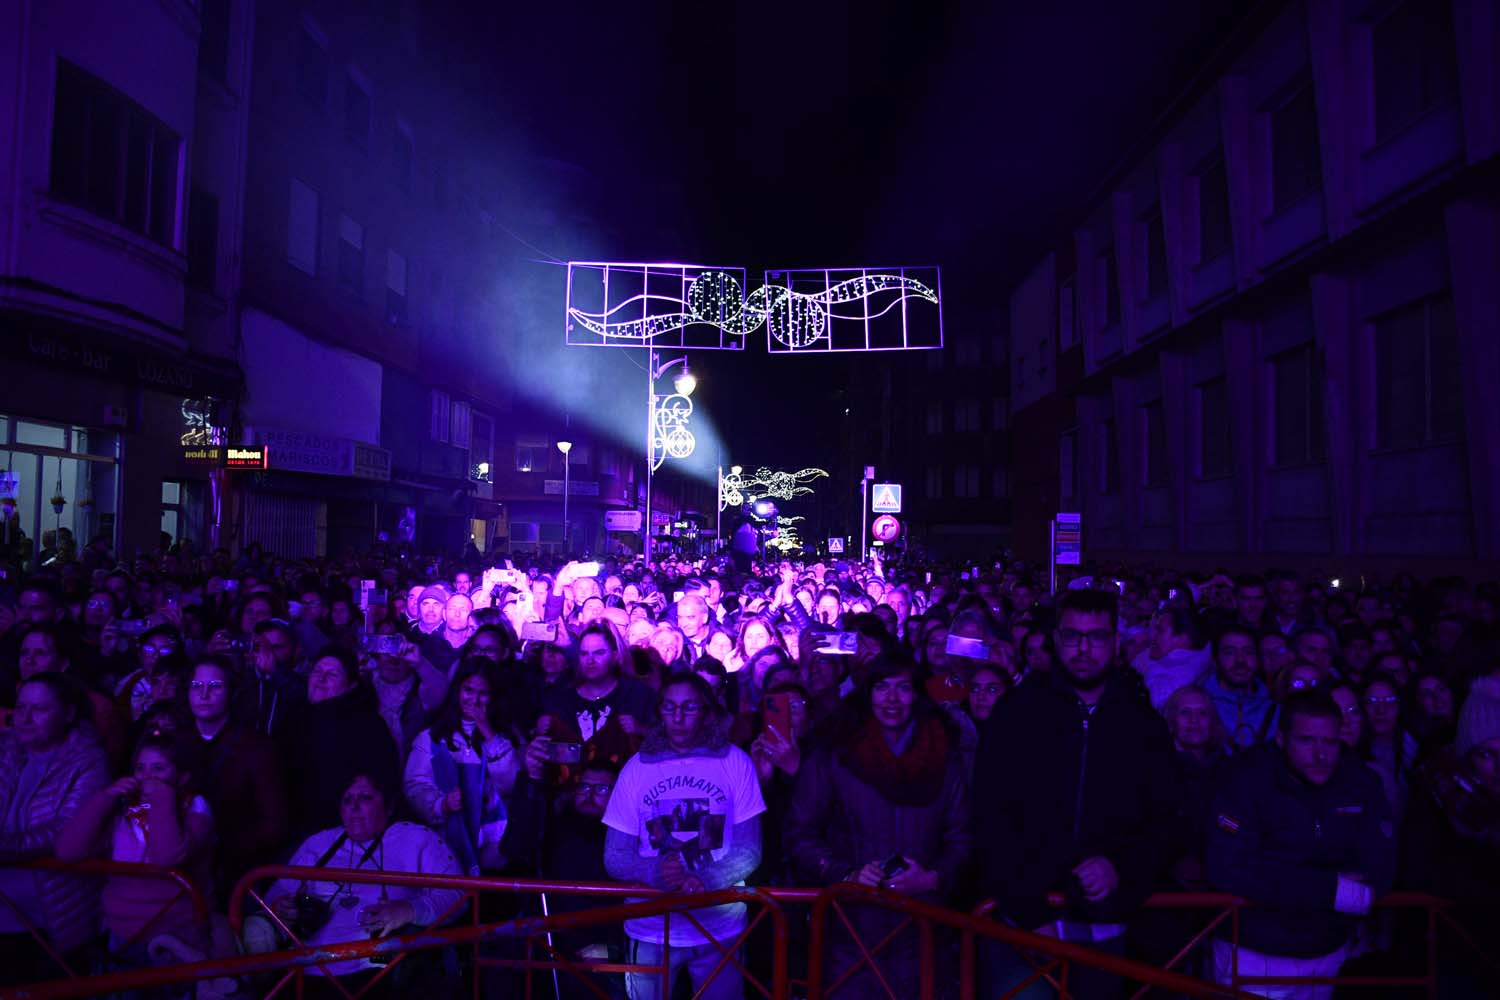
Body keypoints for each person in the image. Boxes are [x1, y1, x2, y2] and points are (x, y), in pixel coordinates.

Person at [974, 587, 1180, 1000]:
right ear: (1056, 639)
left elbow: (1165, 818)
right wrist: (1027, 906)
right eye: (1072, 636)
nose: (1084, 649)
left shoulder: (1142, 724)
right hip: (1021, 921)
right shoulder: (1017, 712)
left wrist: (1120, 866)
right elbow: (988, 813)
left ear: (1115, 642)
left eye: (1097, 637)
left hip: (1103, 924)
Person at [784, 656, 970, 997]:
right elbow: (800, 833)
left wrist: (933, 877)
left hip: (922, 926)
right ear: (867, 694)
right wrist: (845, 874)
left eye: (902, 688)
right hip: (852, 930)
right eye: (882, 687)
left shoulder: (944, 754)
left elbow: (963, 836)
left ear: (917, 695)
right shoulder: (835, 753)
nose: (892, 699)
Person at [1205, 690, 1396, 999]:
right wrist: (1332, 889)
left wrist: (1292, 881)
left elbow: (1380, 863)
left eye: (1330, 742)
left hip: (1330, 950)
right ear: (1281, 739)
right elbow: (1229, 866)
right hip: (1255, 952)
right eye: (1307, 741)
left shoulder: (1359, 780)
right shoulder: (1245, 780)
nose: (1321, 755)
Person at [602, 672, 765, 1000]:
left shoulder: (735, 762)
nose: (678, 718)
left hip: (720, 926)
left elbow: (750, 847)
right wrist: (652, 872)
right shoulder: (637, 768)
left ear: (707, 711)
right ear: (659, 711)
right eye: (670, 707)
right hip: (650, 928)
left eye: (689, 708)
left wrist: (708, 878)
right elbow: (614, 855)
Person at [258, 773, 463, 998]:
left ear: (389, 805)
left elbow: (458, 893)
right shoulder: (318, 844)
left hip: (378, 970)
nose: (354, 806)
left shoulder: (415, 839)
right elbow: (274, 895)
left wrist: (408, 910)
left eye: (365, 798)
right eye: (347, 800)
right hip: (304, 968)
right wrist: (281, 907)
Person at [56, 733, 216, 962]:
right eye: (141, 768)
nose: (147, 777)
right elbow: (68, 851)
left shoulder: (196, 809)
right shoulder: (123, 812)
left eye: (159, 768)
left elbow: (167, 856)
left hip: (177, 934)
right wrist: (106, 797)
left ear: (182, 777)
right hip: (121, 932)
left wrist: (162, 795)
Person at [0, 674, 110, 981]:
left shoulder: (88, 761)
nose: (25, 718)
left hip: (48, 914)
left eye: (39, 709)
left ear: (69, 713)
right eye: (21, 708)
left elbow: (66, 831)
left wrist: (3, 847)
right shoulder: (5, 749)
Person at [403, 660, 520, 874]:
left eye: (483, 693)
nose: (474, 700)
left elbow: (512, 784)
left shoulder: (505, 737)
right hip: (445, 845)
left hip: (494, 848)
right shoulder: (431, 737)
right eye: (468, 690)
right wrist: (442, 804)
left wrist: (486, 729)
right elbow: (415, 785)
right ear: (457, 691)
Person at [286, 648, 399, 838]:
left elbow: (382, 780)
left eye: (332, 674)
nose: (321, 679)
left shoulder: (367, 724)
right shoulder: (294, 717)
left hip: (344, 832)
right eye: (317, 671)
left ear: (351, 685)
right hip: (296, 827)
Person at [1202, 625, 1276, 750]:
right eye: (1230, 652)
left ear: (1258, 659)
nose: (1240, 660)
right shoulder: (1200, 707)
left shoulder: (1276, 710)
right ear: (1215, 660)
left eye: (1248, 652)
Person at [1132, 604, 1211, 710]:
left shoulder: (1187, 677)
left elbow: (1156, 700)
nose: (1153, 636)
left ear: (1182, 639)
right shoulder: (1157, 657)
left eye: (1160, 630)